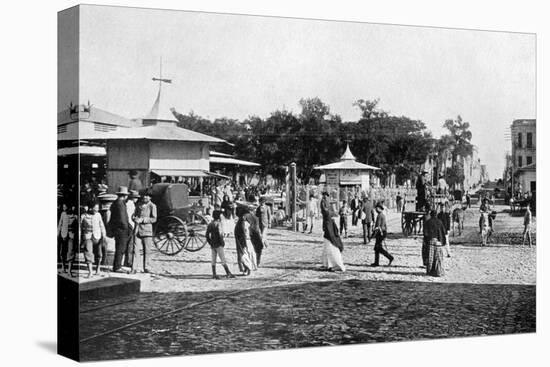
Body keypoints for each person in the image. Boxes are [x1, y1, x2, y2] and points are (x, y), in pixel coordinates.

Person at [132, 190, 157, 273]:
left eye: (147, 196)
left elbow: (154, 219)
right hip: (137, 230)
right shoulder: (138, 205)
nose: (145, 197)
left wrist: (142, 220)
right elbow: (134, 215)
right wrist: (134, 218)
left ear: (150, 197)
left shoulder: (152, 206)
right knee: (135, 249)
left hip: (147, 231)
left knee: (147, 250)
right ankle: (134, 267)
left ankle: (146, 267)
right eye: (144, 196)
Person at [205, 210, 235, 279]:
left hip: (213, 244)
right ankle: (228, 273)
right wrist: (222, 242)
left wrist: (210, 242)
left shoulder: (210, 224)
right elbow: (220, 234)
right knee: (223, 259)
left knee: (213, 259)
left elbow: (207, 235)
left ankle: (214, 274)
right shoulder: (219, 224)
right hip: (218, 244)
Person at [108, 186, 131, 273]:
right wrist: (127, 228)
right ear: (124, 195)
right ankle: (117, 267)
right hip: (121, 229)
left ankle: (117, 265)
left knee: (119, 247)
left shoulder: (115, 203)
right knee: (121, 248)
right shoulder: (120, 204)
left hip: (117, 228)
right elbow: (122, 218)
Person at [75, 203, 100, 278]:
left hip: (97, 237)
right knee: (88, 253)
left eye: (98, 208)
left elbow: (101, 225)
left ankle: (98, 268)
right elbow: (79, 228)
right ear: (90, 208)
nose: (97, 210)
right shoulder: (83, 216)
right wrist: (79, 239)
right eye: (95, 208)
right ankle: (90, 272)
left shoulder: (98, 215)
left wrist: (104, 235)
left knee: (99, 253)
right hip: (87, 237)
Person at [234, 206, 257, 275]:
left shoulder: (241, 222)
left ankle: (248, 268)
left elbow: (243, 233)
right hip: (247, 240)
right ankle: (247, 268)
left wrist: (243, 242)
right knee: (248, 254)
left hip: (243, 240)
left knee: (244, 255)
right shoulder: (247, 221)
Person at [424, 209, 447, 277]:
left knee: (430, 257)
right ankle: (438, 271)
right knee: (438, 257)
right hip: (438, 242)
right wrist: (443, 241)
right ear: (436, 215)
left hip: (430, 241)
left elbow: (425, 233)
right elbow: (444, 232)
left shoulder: (428, 222)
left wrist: (426, 241)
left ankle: (430, 271)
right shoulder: (440, 222)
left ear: (431, 215)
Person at [124, 190, 139, 269]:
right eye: (136, 197)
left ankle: (127, 261)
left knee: (129, 245)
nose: (137, 199)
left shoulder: (129, 204)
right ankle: (128, 261)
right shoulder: (130, 205)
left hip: (129, 225)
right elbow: (130, 217)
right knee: (130, 245)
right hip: (131, 226)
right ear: (133, 198)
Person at [57, 203, 70, 273]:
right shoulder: (62, 214)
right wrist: (58, 233)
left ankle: (68, 268)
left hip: (70, 235)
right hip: (63, 235)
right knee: (62, 252)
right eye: (63, 206)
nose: (64, 208)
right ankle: (63, 266)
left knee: (69, 251)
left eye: (65, 206)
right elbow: (60, 224)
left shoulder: (70, 214)